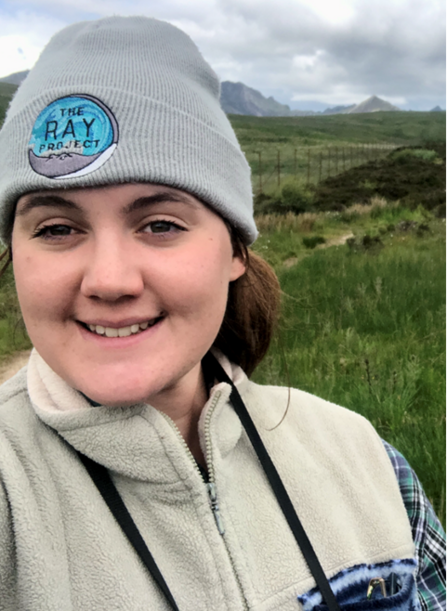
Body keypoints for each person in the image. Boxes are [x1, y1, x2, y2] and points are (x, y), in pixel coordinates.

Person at [0, 16, 445, 611]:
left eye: (160, 224)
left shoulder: (367, 460)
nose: (108, 280)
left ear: (235, 249)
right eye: (56, 228)